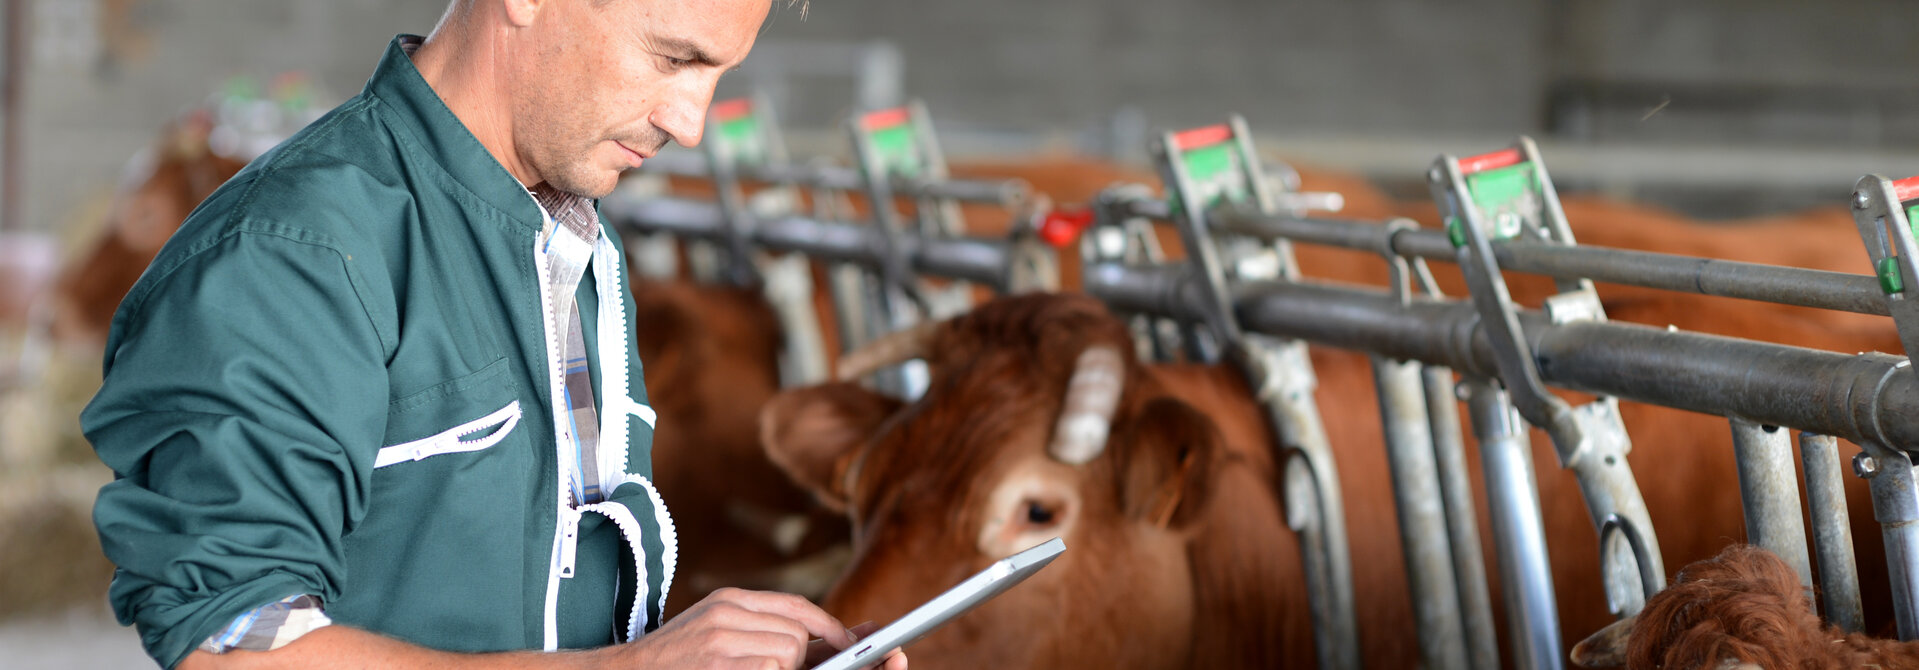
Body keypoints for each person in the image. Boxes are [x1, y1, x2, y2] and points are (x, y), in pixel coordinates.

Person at [82, 1, 907, 669]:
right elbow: (233, 649)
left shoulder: (575, 243)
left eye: (720, 71)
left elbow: (548, 612)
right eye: (672, 59)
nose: (690, 121)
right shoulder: (290, 256)